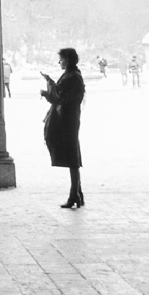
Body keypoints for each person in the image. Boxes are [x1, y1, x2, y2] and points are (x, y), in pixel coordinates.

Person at [42, 47, 85, 208]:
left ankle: (74, 195)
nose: (59, 62)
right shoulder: (73, 75)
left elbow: (61, 97)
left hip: (67, 119)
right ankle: (77, 193)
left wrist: (49, 90)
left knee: (72, 158)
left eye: (61, 59)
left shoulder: (72, 77)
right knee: (72, 156)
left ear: (67, 60)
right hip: (70, 118)